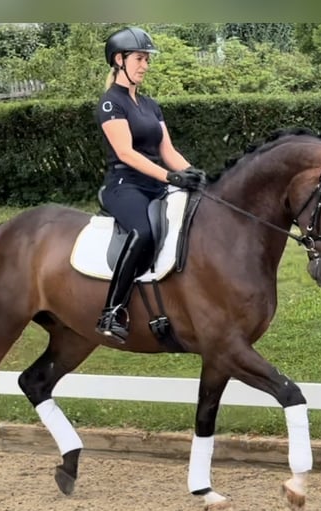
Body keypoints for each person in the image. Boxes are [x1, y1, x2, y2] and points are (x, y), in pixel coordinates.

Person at [94, 26, 206, 344]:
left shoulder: (150, 105)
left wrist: (194, 174)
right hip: (123, 185)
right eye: (140, 58)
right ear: (119, 59)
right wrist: (170, 177)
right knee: (142, 232)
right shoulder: (110, 104)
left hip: (155, 184)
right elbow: (126, 153)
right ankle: (112, 310)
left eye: (147, 59)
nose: (145, 65)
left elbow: (167, 151)